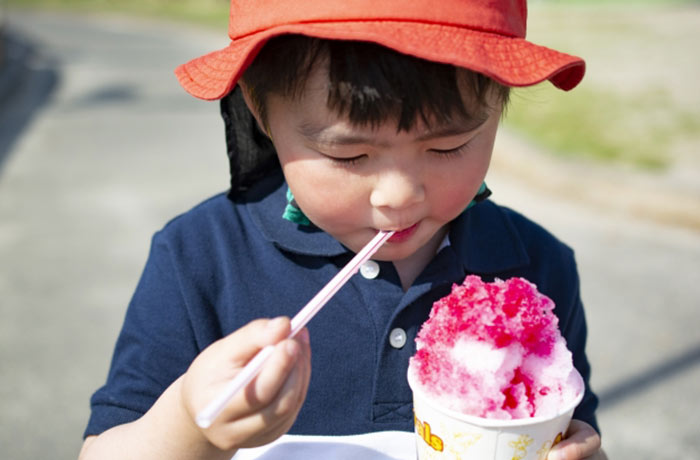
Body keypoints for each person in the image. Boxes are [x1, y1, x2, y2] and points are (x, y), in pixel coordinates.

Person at [80, 0, 606, 459]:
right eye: (348, 153)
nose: (399, 196)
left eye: (448, 147)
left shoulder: (537, 268)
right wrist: (193, 423)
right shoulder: (200, 258)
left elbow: (572, 429)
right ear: (260, 111)